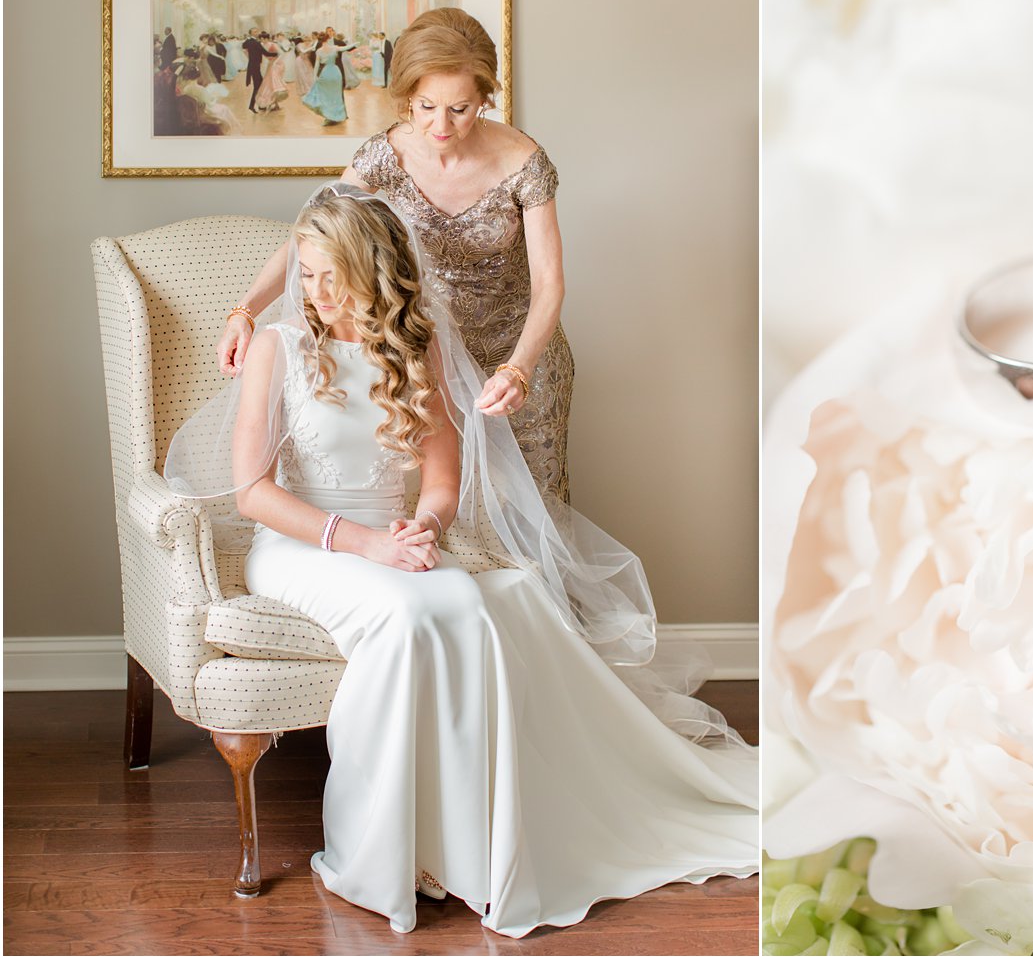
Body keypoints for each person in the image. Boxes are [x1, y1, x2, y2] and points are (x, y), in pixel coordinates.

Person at [169, 188, 757, 937]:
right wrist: (367, 543)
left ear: (371, 269)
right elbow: (252, 494)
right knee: (414, 613)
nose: (310, 292)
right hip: (301, 544)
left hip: (396, 536)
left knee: (471, 607)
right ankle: (373, 853)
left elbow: (442, 477)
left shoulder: (418, 347)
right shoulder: (279, 346)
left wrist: (425, 523)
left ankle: (455, 847)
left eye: (326, 276)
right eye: (304, 275)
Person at [219, 8, 574, 503]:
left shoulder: (524, 163)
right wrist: (244, 310)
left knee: (532, 512)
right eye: (426, 106)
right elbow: (314, 238)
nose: (441, 125)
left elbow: (550, 284)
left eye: (461, 108)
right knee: (439, 505)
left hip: (517, 356)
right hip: (422, 359)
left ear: (486, 98)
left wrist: (519, 369)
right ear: (407, 96)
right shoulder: (383, 156)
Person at [300, 34, 354, 125]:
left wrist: (315, 76)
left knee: (326, 96)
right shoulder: (333, 48)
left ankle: (329, 117)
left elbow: (317, 65)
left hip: (326, 73)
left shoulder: (319, 51)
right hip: (335, 73)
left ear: (320, 41)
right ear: (328, 39)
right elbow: (345, 48)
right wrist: (354, 44)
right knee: (336, 96)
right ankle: (336, 116)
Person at [253, 34, 287, 113]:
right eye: (261, 39)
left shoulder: (273, 45)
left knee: (273, 82)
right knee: (269, 83)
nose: (262, 41)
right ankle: (275, 103)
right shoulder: (261, 45)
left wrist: (276, 62)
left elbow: (281, 53)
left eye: (263, 39)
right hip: (269, 64)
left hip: (277, 64)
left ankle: (274, 103)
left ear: (267, 39)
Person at [242, 30, 267, 112]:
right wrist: (276, 54)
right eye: (255, 31)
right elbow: (265, 53)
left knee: (260, 86)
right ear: (251, 33)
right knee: (257, 87)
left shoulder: (254, 42)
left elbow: (244, 46)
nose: (257, 32)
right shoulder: (252, 42)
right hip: (254, 67)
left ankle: (258, 105)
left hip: (255, 66)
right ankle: (254, 105)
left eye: (257, 31)